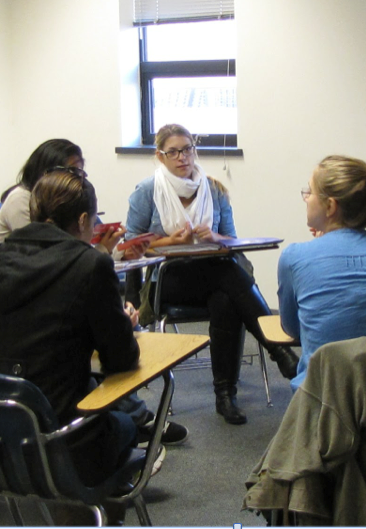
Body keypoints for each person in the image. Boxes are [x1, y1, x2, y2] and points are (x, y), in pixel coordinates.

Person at [0, 168, 156, 494]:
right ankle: (95, 503)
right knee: (126, 425)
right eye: (94, 222)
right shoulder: (90, 264)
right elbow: (121, 360)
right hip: (63, 437)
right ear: (83, 220)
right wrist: (119, 324)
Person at [126, 123, 299, 425]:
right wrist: (170, 242)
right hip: (168, 282)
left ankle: (225, 394)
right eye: (174, 152)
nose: (183, 157)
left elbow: (231, 241)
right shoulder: (147, 190)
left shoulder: (214, 189)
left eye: (188, 149)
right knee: (227, 274)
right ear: (160, 156)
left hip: (214, 277)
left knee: (225, 298)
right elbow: (131, 247)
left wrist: (215, 240)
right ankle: (279, 351)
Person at [278, 155, 366, 391]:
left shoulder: (294, 257)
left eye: (309, 192)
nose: (306, 199)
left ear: (330, 206)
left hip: (322, 401)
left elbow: (292, 329)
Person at [0, 138, 121, 254]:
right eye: (71, 172)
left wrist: (120, 252)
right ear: (47, 173)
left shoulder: (66, 200)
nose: (76, 180)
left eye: (79, 173)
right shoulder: (20, 199)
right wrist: (102, 250)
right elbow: (51, 256)